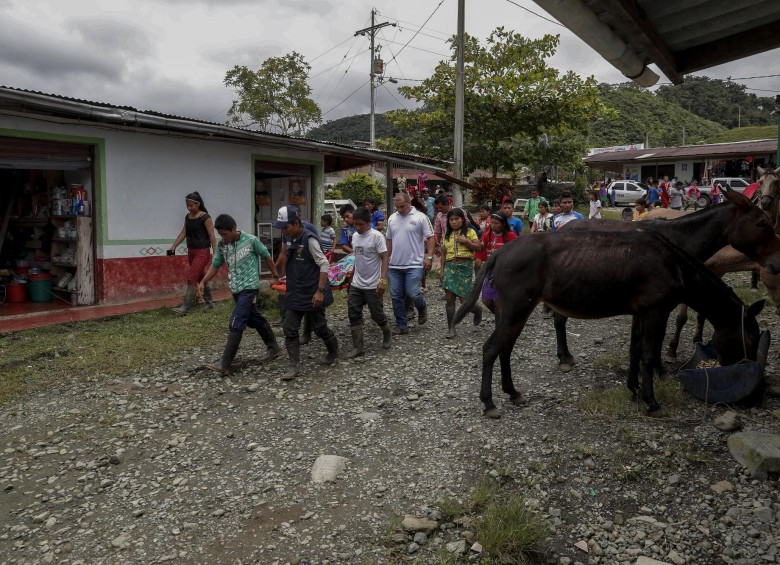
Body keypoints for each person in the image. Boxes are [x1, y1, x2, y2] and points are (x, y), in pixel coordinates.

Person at [198, 214, 280, 374]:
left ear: (234, 229)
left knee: (236, 321)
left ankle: (225, 363)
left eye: (225, 234)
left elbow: (267, 257)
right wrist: (203, 282)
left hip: (249, 289)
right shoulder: (222, 246)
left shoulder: (251, 240)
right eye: (221, 234)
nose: (223, 237)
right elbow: (215, 265)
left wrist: (275, 277)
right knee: (254, 318)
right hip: (236, 290)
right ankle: (274, 347)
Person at [274, 205, 338, 380]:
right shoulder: (290, 238)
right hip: (295, 291)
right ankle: (294, 365)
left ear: (296, 223)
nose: (284, 231)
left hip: (312, 292)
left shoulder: (310, 239)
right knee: (289, 327)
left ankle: (334, 351)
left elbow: (324, 264)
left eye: (286, 227)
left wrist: (320, 291)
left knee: (320, 328)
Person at [386, 192, 435, 335]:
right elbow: (389, 239)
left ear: (409, 203)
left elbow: (431, 237)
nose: (400, 210)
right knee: (395, 295)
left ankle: (422, 308)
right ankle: (401, 325)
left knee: (412, 292)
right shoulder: (392, 218)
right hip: (394, 265)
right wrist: (387, 257)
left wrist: (429, 257)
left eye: (402, 206)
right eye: (397, 207)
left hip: (414, 264)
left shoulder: (420, 217)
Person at [345, 206, 392, 357]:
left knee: (376, 314)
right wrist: (352, 275)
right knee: (353, 313)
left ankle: (386, 332)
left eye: (361, 224)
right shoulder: (355, 237)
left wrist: (382, 280)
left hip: (373, 284)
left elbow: (385, 258)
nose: (358, 227)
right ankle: (358, 347)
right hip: (357, 283)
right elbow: (357, 257)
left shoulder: (377, 237)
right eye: (355, 224)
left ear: (369, 222)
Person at [169, 192, 217, 314]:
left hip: (203, 251)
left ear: (198, 204)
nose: (189, 208)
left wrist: (216, 253)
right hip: (191, 251)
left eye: (191, 205)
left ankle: (186, 306)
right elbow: (183, 232)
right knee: (200, 276)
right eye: (187, 205)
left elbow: (212, 236)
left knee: (192, 277)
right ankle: (209, 302)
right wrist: (174, 245)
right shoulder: (188, 217)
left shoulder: (205, 218)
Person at [440, 208, 482, 338]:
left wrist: (467, 242)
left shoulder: (470, 232)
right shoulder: (446, 235)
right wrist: (441, 270)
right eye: (451, 219)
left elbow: (479, 247)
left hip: (465, 267)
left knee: (464, 301)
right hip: (449, 267)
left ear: (463, 220)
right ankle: (451, 327)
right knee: (450, 299)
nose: (454, 222)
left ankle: (478, 310)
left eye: (457, 219)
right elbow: (443, 253)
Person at [481, 212, 517, 319]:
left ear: (503, 224)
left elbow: (517, 253)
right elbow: (481, 248)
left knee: (499, 301)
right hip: (490, 270)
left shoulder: (511, 236)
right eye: (491, 223)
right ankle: (504, 318)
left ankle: (501, 324)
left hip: (505, 272)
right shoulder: (487, 235)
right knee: (486, 300)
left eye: (496, 223)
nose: (493, 225)